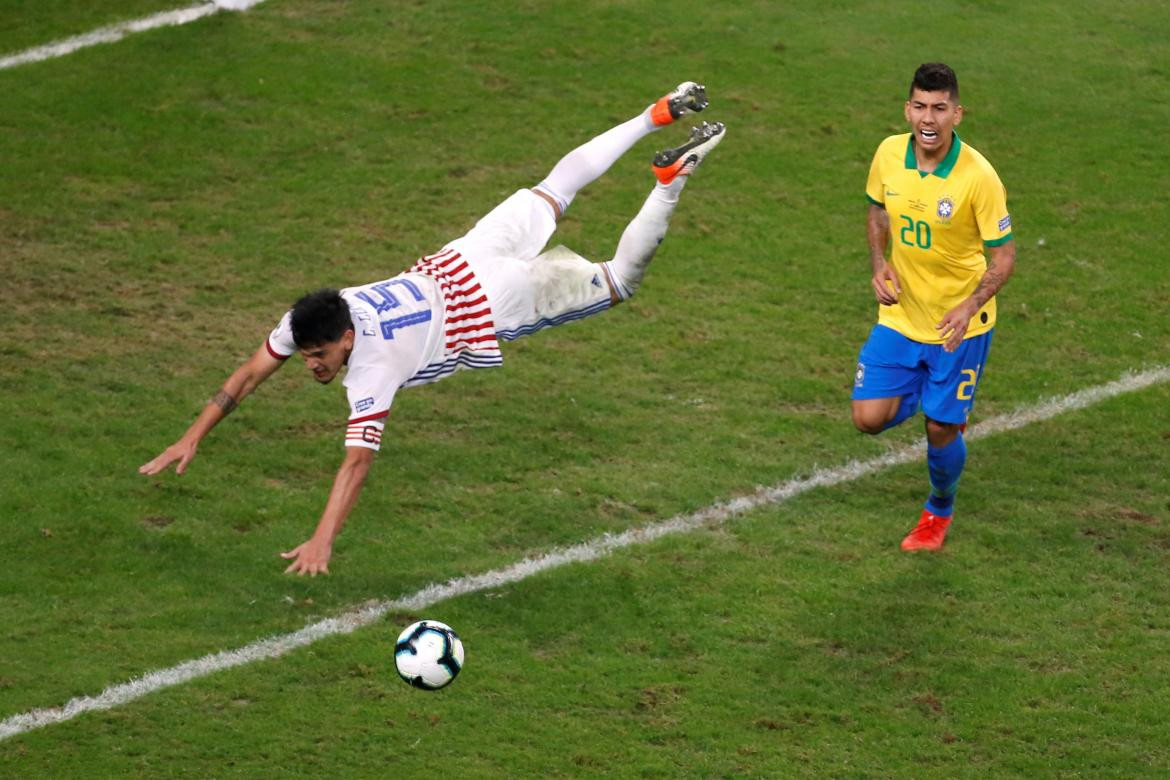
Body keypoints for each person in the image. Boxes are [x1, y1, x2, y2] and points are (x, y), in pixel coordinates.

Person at [140, 82, 726, 575]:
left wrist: (323, 538)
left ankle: (668, 181)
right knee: (556, 185)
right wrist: (195, 435)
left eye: (318, 356)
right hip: (463, 258)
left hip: (491, 304)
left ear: (346, 338)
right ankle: (654, 114)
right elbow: (250, 374)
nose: (311, 364)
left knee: (619, 281)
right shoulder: (323, 311)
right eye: (307, 355)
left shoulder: (372, 368)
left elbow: (357, 463)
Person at [851, 63, 1016, 551]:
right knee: (867, 419)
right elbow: (877, 208)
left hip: (958, 326)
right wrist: (880, 262)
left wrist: (970, 305)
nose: (929, 118)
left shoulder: (979, 177)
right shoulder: (888, 153)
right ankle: (937, 402)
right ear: (908, 109)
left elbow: (1004, 255)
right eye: (920, 106)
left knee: (941, 427)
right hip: (901, 315)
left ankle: (938, 510)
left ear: (956, 114)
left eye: (940, 108)